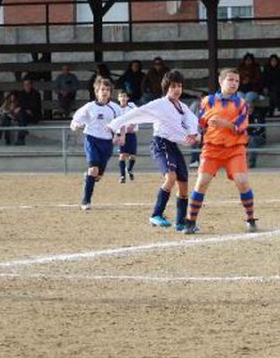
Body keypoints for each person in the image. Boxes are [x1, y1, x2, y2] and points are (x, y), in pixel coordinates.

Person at [107, 70, 200, 229]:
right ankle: (156, 214)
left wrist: (194, 134)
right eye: (173, 86)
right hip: (161, 143)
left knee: (184, 185)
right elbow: (138, 112)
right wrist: (114, 124)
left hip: (173, 146)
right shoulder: (160, 104)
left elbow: (192, 122)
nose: (177, 89)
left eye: (179, 86)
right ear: (166, 88)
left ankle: (180, 222)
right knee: (171, 177)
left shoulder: (183, 107)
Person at [182, 68, 259, 234]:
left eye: (236, 81)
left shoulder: (241, 103)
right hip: (212, 148)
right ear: (221, 81)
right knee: (201, 182)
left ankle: (250, 218)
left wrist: (224, 124)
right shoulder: (207, 101)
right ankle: (190, 221)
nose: (234, 83)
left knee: (242, 182)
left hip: (235, 148)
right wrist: (195, 134)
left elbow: (241, 127)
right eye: (230, 80)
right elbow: (199, 124)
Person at [69, 77, 122, 211]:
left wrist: (119, 135)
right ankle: (86, 201)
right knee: (93, 169)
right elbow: (75, 120)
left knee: (97, 176)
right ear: (96, 92)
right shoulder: (89, 107)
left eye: (107, 90)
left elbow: (121, 124)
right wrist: (75, 125)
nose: (105, 92)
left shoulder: (115, 108)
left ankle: (89, 177)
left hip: (107, 143)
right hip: (92, 140)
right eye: (102, 89)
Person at [115, 89, 138, 182]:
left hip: (131, 134)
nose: (123, 98)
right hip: (121, 134)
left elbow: (138, 115)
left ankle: (129, 169)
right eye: (121, 96)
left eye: (124, 96)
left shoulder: (132, 106)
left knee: (132, 156)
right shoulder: (116, 109)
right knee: (122, 155)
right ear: (118, 98)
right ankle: (122, 176)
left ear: (127, 98)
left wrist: (133, 124)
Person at [15, 76, 43, 146]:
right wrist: (25, 109)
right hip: (24, 115)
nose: (26, 86)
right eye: (25, 85)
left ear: (31, 85)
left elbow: (34, 106)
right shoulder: (21, 94)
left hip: (34, 115)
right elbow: (20, 104)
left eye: (28, 84)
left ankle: (21, 137)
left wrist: (23, 108)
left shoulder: (36, 94)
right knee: (21, 115)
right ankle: (22, 134)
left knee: (21, 114)